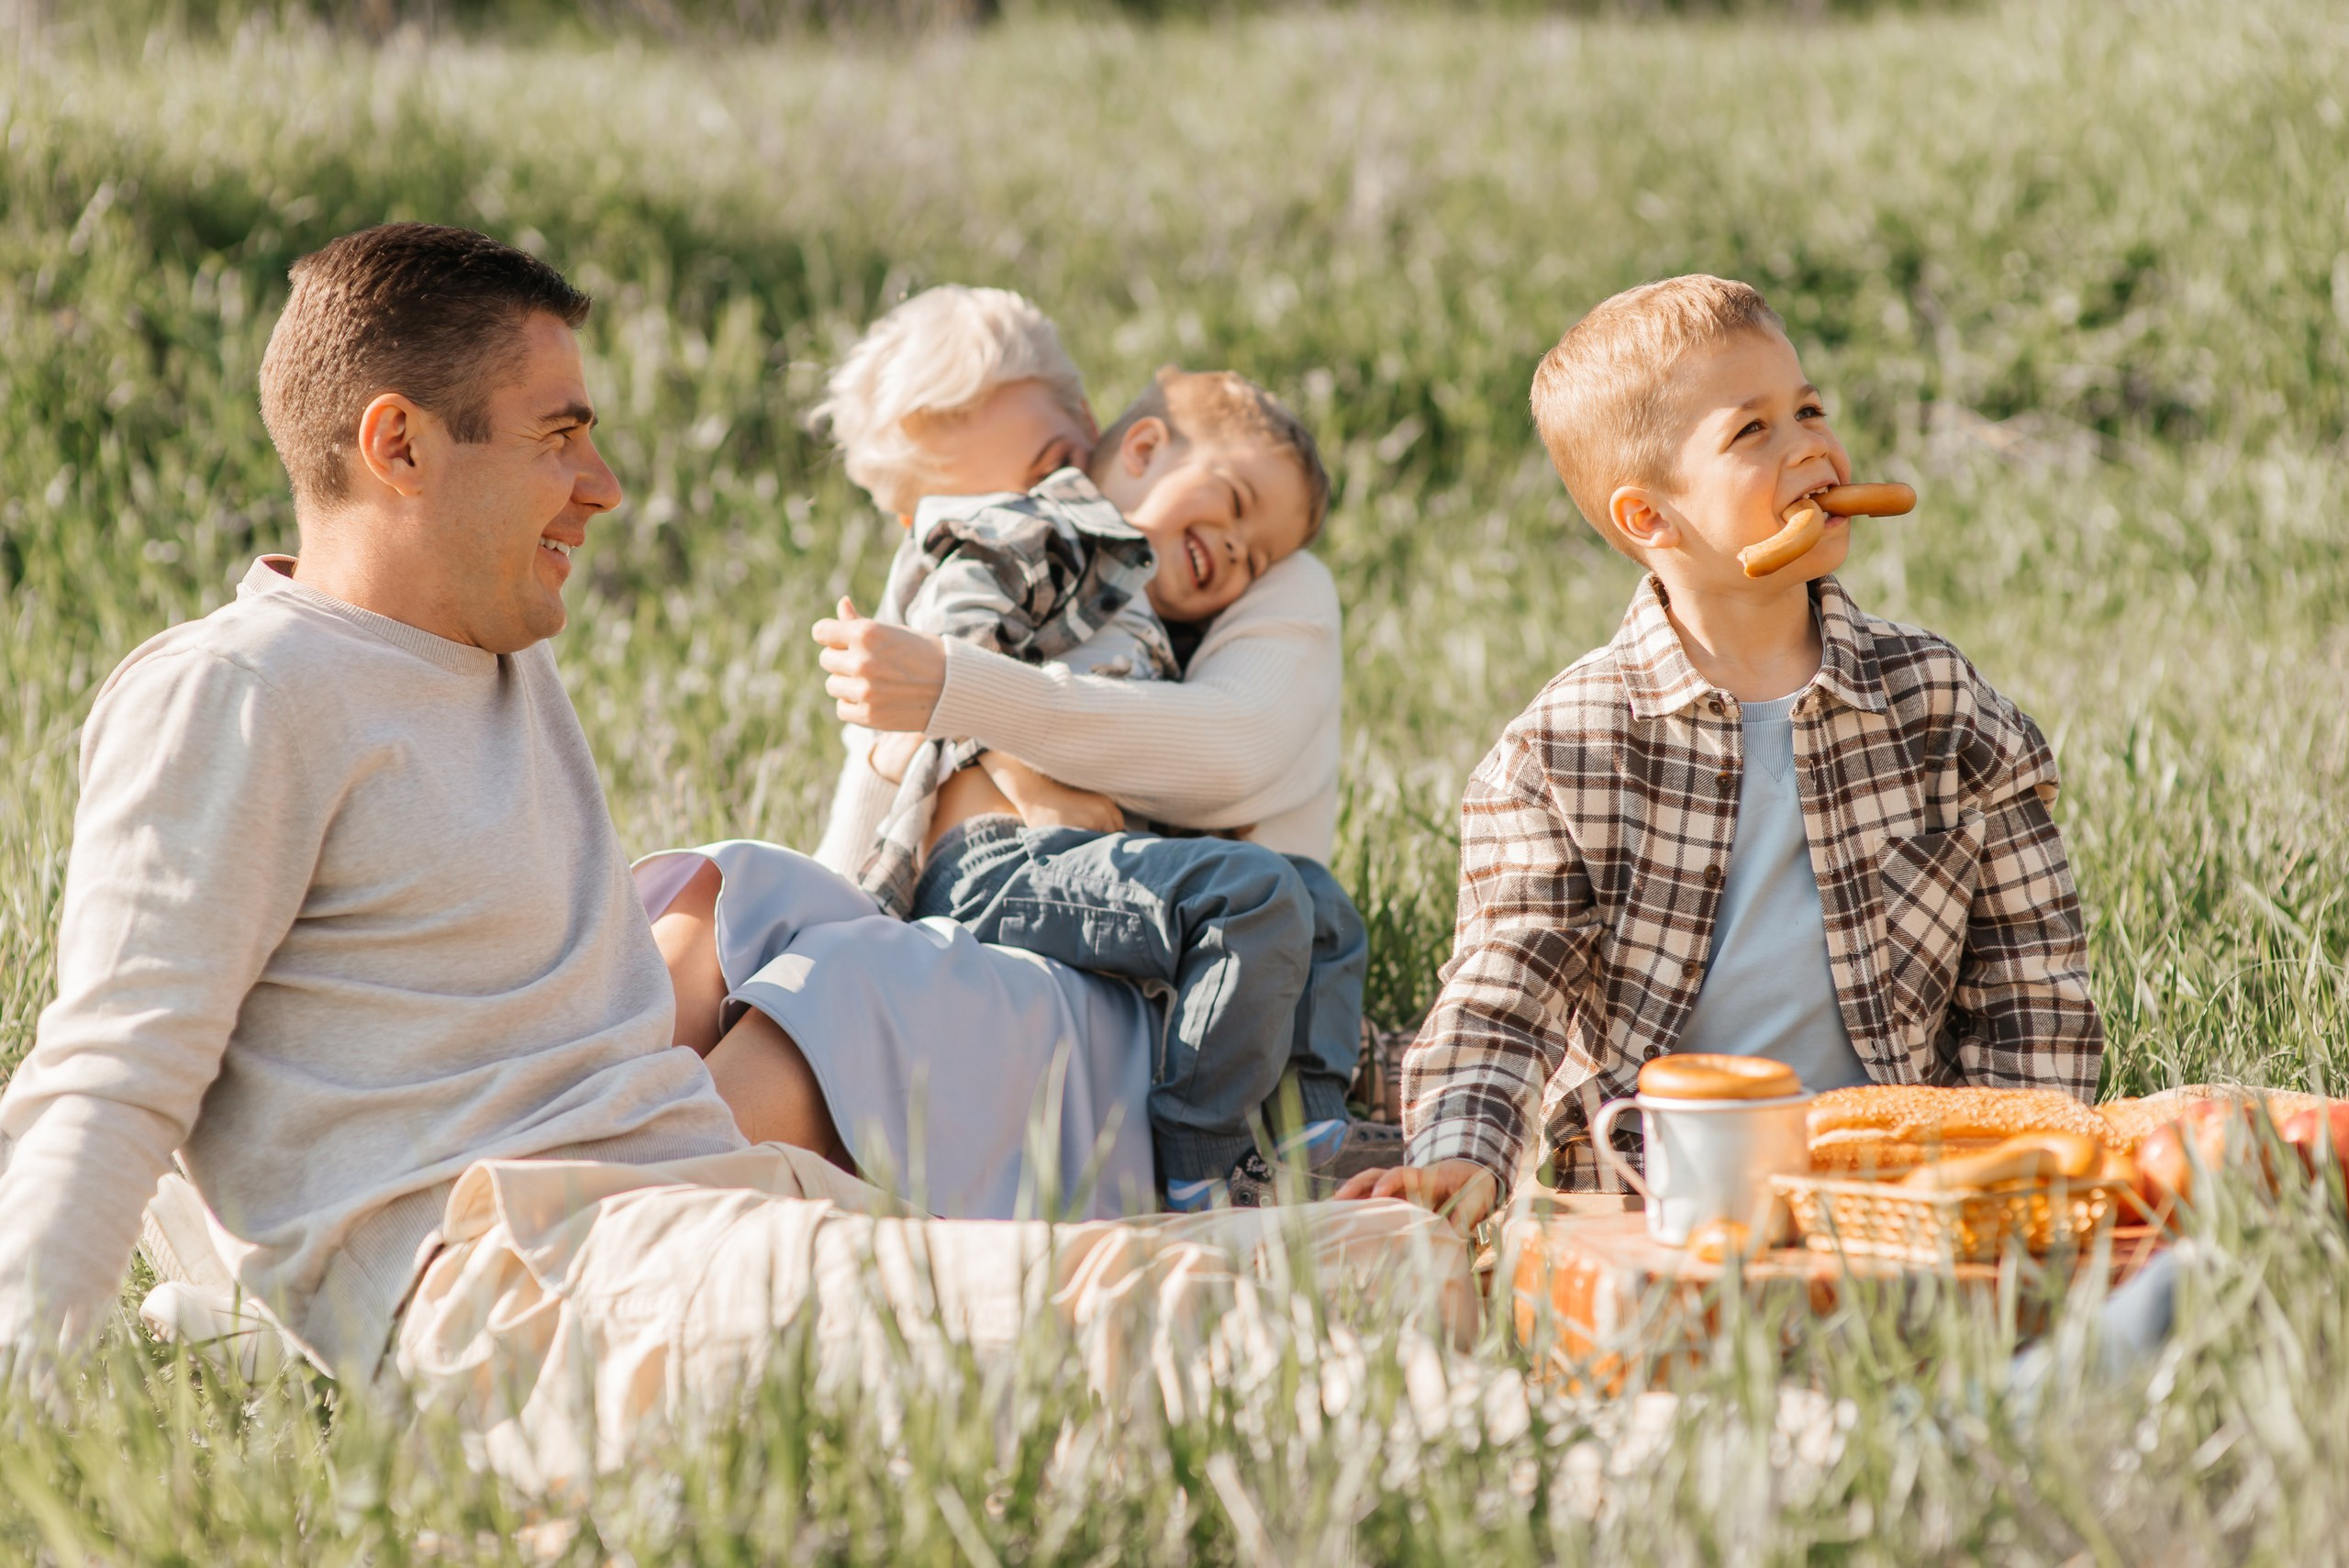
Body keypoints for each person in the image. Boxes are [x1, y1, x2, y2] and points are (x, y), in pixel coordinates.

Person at [0, 228, 1471, 1447]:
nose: (607, 485)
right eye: (560, 435)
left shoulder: (503, 666)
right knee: (1153, 1329)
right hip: (533, 1277)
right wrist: (29, 1406)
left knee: (1381, 1261)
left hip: (710, 1208)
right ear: (397, 445)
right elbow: (111, 1071)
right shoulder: (236, 691)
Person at [1337, 274, 2106, 1228]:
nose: (1812, 448)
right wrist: (1460, 1153)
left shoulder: (1939, 703)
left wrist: (2023, 1168)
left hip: (1897, 1185)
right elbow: (1507, 986)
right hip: (1651, 1194)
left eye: (1809, 408)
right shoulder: (1562, 749)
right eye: (1753, 432)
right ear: (1648, 519)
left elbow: (2030, 974)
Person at [670, 287, 1386, 1211]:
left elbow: (1227, 749)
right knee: (733, 890)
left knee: (861, 979)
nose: (1038, 507)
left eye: (1052, 463)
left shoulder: (1225, 566)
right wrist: (982, 755)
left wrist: (980, 718)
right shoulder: (1009, 543)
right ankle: (574, 1118)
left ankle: (648, 1180)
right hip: (1001, 874)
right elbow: (897, 744)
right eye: (965, 510)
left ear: (1100, 430)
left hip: (1116, 949)